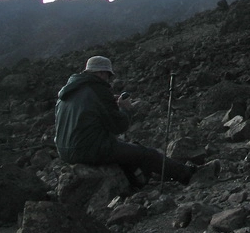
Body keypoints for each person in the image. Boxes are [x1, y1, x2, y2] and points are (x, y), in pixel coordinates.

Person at [54, 55, 193, 186]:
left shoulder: (68, 91)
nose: (108, 80)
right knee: (146, 154)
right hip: (88, 150)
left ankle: (136, 183)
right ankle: (188, 175)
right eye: (108, 76)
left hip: (65, 152)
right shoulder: (98, 90)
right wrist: (126, 109)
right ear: (102, 73)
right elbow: (119, 126)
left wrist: (108, 103)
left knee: (125, 151)